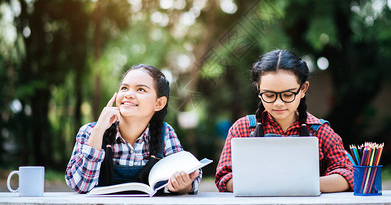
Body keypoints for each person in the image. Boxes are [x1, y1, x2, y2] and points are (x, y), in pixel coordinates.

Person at [215, 49, 353, 193]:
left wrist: (299, 184)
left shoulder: (320, 130)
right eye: (269, 95)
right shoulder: (242, 128)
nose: (278, 103)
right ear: (258, 89)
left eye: (287, 94)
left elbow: (348, 175)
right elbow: (224, 178)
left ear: (303, 89)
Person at [66, 64, 201, 194]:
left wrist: (184, 186)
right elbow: (81, 185)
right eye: (124, 88)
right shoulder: (90, 131)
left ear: (159, 103)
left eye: (140, 89)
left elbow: (191, 173)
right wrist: (99, 130)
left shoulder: (165, 133)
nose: (128, 95)